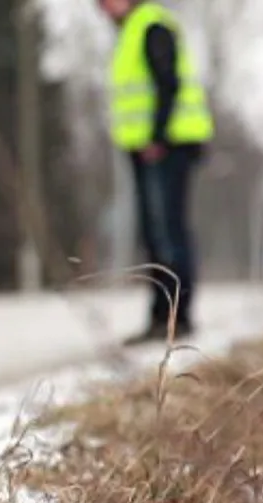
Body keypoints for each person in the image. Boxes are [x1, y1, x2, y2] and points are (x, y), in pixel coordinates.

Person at [100, 0, 214, 344]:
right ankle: (161, 316)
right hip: (148, 147)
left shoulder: (151, 26)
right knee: (155, 234)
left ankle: (176, 316)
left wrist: (157, 136)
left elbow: (168, 84)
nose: (103, 6)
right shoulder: (132, 30)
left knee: (167, 234)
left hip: (166, 146)